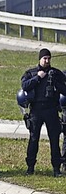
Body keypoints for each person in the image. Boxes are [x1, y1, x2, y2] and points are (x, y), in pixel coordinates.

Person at [21, 48, 66, 177]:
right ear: (40, 59)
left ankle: (56, 168)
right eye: (44, 58)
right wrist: (38, 78)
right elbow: (25, 86)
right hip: (36, 110)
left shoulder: (56, 73)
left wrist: (56, 83)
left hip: (51, 109)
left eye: (48, 58)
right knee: (34, 139)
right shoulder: (31, 73)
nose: (46, 61)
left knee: (54, 139)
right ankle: (30, 167)